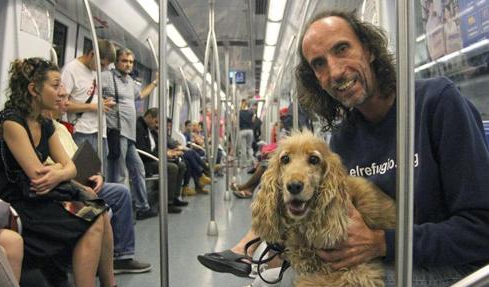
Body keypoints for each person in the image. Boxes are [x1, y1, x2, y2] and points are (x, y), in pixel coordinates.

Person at [203, 11, 489, 286]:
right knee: (268, 278)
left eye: (342, 49)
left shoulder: (436, 104)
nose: (336, 71)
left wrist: (381, 242)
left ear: (369, 50)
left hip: (453, 267)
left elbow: (482, 230)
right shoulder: (343, 137)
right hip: (385, 257)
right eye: (319, 64)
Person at [0, 58, 115, 287]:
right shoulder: (11, 122)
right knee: (92, 219)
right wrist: (61, 172)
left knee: (97, 212)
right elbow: (38, 176)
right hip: (10, 201)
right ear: (34, 89)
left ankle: (108, 283)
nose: (61, 91)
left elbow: (70, 166)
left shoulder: (44, 123)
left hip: (34, 196)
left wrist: (61, 174)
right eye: (55, 85)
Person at [44, 84, 153, 274]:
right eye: (63, 98)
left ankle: (122, 256)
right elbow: (53, 168)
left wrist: (97, 176)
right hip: (65, 187)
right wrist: (78, 182)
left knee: (121, 192)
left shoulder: (60, 128)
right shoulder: (42, 130)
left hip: (80, 181)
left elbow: (76, 159)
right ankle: (80, 262)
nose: (67, 103)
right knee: (101, 211)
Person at [102, 48, 159, 219]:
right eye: (124, 61)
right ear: (116, 62)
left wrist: (155, 83)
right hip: (117, 132)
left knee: (138, 169)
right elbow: (97, 92)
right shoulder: (107, 77)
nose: (128, 65)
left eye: (131, 62)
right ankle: (118, 213)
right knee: (119, 174)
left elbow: (140, 95)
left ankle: (142, 207)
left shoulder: (129, 81)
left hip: (129, 135)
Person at [61, 39, 116, 172]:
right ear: (92, 54)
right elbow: (62, 104)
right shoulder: (71, 70)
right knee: (83, 175)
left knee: (100, 176)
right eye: (101, 64)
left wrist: (103, 103)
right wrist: (94, 107)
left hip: (99, 131)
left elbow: (90, 96)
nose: (102, 69)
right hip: (81, 130)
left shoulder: (95, 70)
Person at [135, 108, 189, 213]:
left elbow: (157, 146)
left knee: (181, 165)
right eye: (156, 121)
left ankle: (175, 198)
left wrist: (169, 152)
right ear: (149, 117)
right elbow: (143, 151)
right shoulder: (139, 128)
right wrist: (163, 155)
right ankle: (167, 204)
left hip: (154, 159)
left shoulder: (152, 130)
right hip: (146, 163)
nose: (157, 125)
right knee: (172, 168)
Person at [238, 99, 254, 164]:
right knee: (249, 147)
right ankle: (252, 161)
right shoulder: (251, 112)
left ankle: (244, 164)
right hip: (250, 130)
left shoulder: (239, 112)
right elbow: (253, 121)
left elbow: (234, 121)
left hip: (242, 131)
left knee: (243, 148)